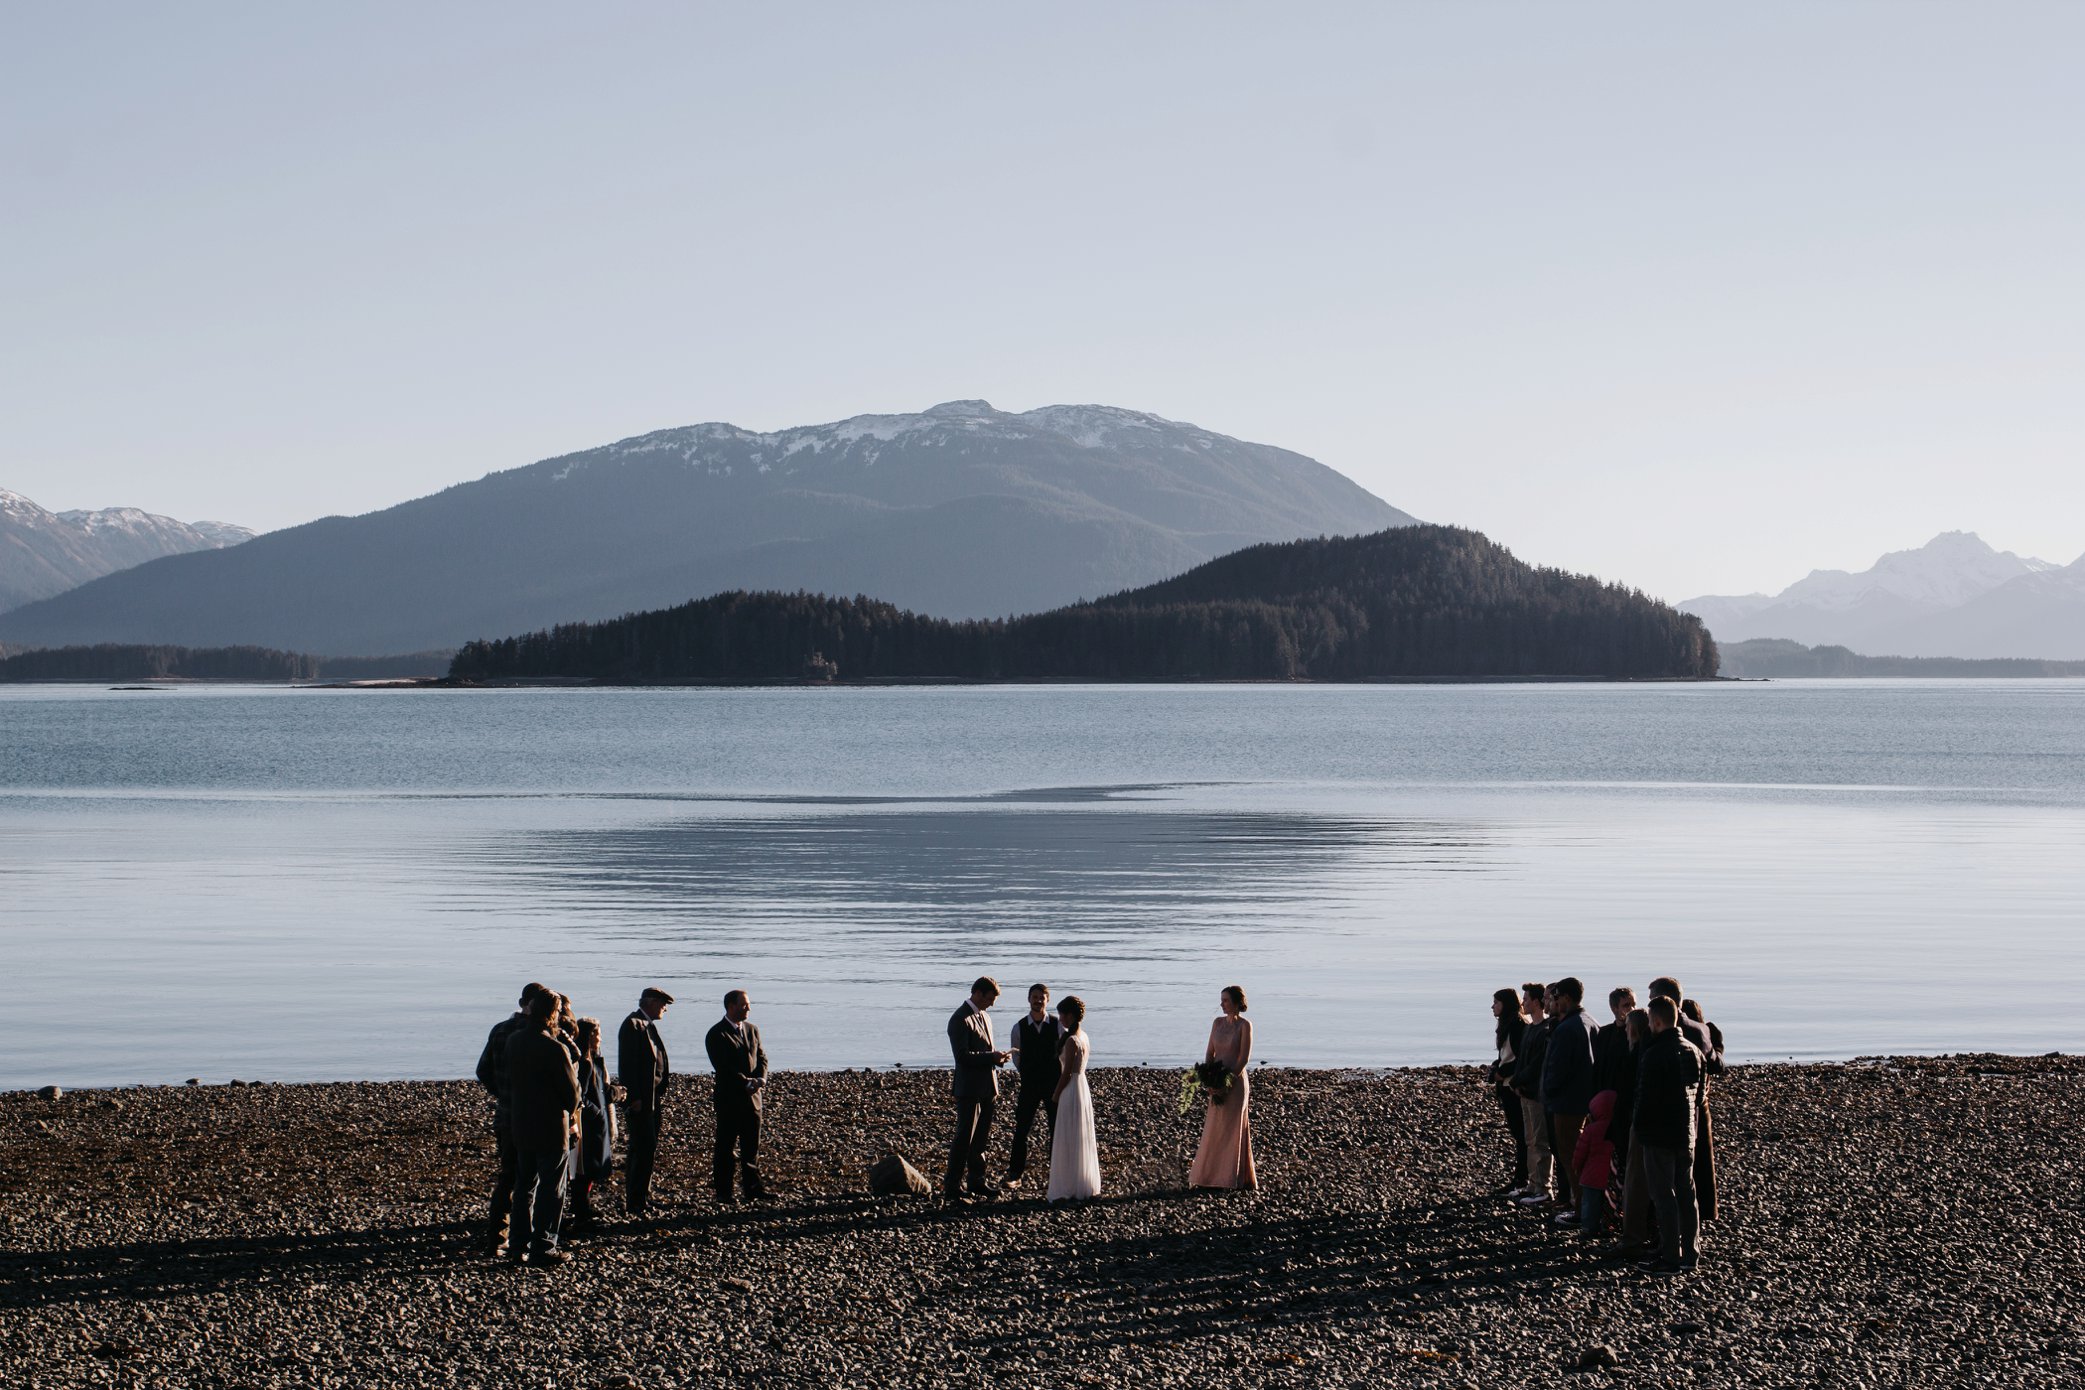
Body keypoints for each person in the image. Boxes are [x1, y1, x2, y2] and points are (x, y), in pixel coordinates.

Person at [503, 990, 581, 1266]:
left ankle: (517, 1243)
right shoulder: (554, 1048)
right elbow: (572, 1095)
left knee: (524, 1184)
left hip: (521, 1122)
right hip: (550, 1126)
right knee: (551, 1187)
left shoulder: (514, 1041)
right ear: (553, 1014)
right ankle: (544, 1244)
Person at [475, 981, 550, 1256]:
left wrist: (502, 1093)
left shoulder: (499, 1030)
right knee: (530, 1180)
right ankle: (525, 1237)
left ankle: (497, 1237)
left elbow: (483, 1070)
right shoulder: (540, 1034)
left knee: (508, 1177)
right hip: (534, 1118)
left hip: (506, 1114)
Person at [1634, 995, 1705, 1273]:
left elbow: (1644, 1097)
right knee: (1687, 1194)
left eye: (1650, 1020)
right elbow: (1698, 1095)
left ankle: (1669, 1257)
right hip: (1686, 1131)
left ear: (1657, 1020)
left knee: (1664, 1195)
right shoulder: (1693, 1051)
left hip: (1659, 1134)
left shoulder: (1654, 1054)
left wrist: (1640, 1129)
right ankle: (1690, 1252)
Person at [1652, 978, 1724, 1224]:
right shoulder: (1700, 1029)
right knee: (1702, 1161)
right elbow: (1715, 1064)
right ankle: (1705, 1209)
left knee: (1672, 1169)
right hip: (1698, 1102)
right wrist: (1719, 1047)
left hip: (1670, 1106)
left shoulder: (1659, 1031)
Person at [945, 977, 1011, 1201]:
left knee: (981, 1138)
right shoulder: (959, 1019)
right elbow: (962, 1057)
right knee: (964, 1137)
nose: (992, 1004)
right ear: (979, 994)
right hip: (969, 1088)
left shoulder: (984, 1016)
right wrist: (990, 1057)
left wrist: (996, 1059)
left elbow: (984, 1051)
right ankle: (952, 1185)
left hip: (987, 1086)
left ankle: (976, 1181)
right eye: (990, 998)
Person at [705, 988, 770, 1203]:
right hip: (730, 1100)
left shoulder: (752, 1030)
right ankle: (724, 1192)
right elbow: (722, 1067)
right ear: (731, 1006)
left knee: (751, 1148)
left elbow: (762, 1058)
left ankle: (753, 1189)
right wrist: (745, 1083)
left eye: (748, 1004)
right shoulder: (716, 1033)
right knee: (725, 1149)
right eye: (744, 1004)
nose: (749, 1008)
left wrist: (760, 1079)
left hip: (753, 1100)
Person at [1188, 985, 1256, 1190]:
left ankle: (1230, 1178)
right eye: (1221, 1000)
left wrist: (1227, 1082)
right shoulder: (1217, 1023)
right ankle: (1209, 1176)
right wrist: (1209, 1079)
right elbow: (1210, 1053)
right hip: (1216, 1079)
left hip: (1235, 1084)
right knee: (1214, 1128)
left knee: (1232, 1129)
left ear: (1236, 1003)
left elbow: (1243, 1058)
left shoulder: (1245, 1026)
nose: (1222, 1004)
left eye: (1226, 1000)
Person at [1542, 977, 1597, 1220]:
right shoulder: (1590, 1023)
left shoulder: (1567, 1029)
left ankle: (1581, 1208)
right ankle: (1586, 1206)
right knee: (1581, 1156)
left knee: (1571, 1156)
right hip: (1586, 1101)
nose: (1552, 1003)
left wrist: (1548, 1093)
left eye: (1554, 998)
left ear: (1565, 998)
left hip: (1567, 1104)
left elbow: (1558, 1070)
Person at [618, 987, 675, 1219]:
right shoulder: (633, 1025)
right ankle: (636, 1200)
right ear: (650, 1002)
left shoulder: (646, 1025)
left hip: (652, 1098)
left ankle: (641, 1196)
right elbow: (628, 1066)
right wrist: (634, 1098)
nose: (665, 1008)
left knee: (647, 1148)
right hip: (642, 1100)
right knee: (642, 1148)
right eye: (663, 1003)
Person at [1003, 984, 1063, 1191]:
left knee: (1056, 1128)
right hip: (1029, 1084)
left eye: (1042, 997)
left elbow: (1064, 1053)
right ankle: (1015, 1174)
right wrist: (1027, 1072)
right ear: (1028, 999)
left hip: (1053, 1085)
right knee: (1022, 1129)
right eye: (1035, 997)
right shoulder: (1019, 1027)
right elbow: (1016, 1056)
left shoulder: (1057, 1025)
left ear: (1047, 1000)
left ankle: (1057, 1173)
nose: (1038, 1000)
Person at [1046, 996, 1101, 1202]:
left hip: (1071, 1089)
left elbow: (1067, 1072)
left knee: (1068, 1134)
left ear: (1070, 1015)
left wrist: (1056, 1094)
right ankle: (1082, 1181)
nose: (1060, 1019)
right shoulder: (1084, 1036)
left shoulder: (1071, 1040)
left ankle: (1067, 1184)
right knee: (1080, 1133)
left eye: (1061, 1014)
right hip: (1082, 1087)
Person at [567, 1018, 617, 1235]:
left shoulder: (592, 1060)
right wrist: (596, 1112)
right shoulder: (585, 1064)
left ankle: (582, 1209)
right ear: (589, 1036)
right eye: (597, 1034)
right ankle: (581, 1213)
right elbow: (582, 1096)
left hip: (595, 1123)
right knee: (584, 1169)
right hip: (589, 1126)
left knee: (587, 1169)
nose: (601, 1038)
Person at [1510, 983, 1554, 1208]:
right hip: (1524, 1092)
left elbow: (1537, 1064)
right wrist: (1516, 1080)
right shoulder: (1529, 1028)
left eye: (1526, 999)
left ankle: (1543, 1187)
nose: (1523, 1003)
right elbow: (1522, 1059)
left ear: (1536, 1002)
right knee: (1529, 1139)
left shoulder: (1544, 1030)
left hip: (1536, 1093)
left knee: (1540, 1140)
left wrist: (1519, 1080)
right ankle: (1533, 1182)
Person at [1489, 988, 1529, 1194]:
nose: (1492, 1006)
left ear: (1505, 1004)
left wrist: (1502, 1072)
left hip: (1513, 1085)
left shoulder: (1517, 1025)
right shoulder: (1508, 1024)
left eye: (1496, 1002)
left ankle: (1522, 1178)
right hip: (1506, 1084)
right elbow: (1507, 1054)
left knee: (1522, 1134)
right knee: (1519, 1133)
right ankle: (1521, 1177)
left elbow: (1521, 1058)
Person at [1571, 1089, 1618, 1238]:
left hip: (1590, 1176)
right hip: (1610, 1178)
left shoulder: (1591, 1129)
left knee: (1589, 1204)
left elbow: (1580, 1151)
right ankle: (1608, 1226)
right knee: (1608, 1205)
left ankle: (1588, 1228)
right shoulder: (1617, 1128)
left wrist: (1576, 1166)